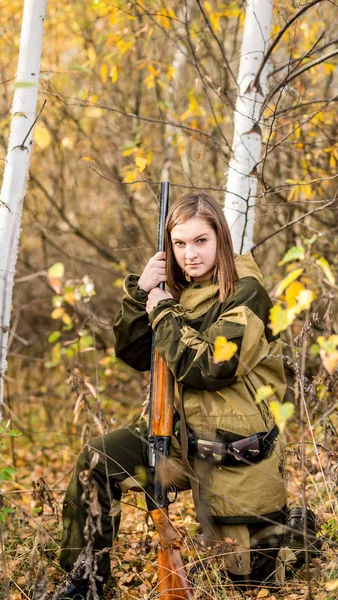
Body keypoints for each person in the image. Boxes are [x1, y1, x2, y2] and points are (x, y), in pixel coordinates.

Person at [56, 191, 288, 599]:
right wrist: (139, 293)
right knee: (98, 460)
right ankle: (85, 580)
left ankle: (296, 534)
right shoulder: (173, 289)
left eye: (200, 241)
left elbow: (209, 368)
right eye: (179, 244)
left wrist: (163, 311)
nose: (190, 255)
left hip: (231, 454)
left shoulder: (247, 294)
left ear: (222, 240)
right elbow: (133, 353)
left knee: (249, 578)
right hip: (177, 442)